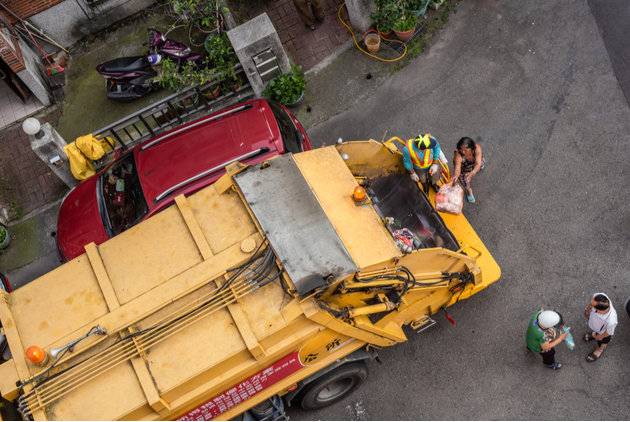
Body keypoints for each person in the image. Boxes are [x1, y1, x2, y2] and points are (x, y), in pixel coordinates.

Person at [583, 293, 618, 362]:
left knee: (602, 341)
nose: (591, 305)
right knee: (595, 331)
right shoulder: (600, 296)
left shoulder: (611, 320)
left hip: (602, 332)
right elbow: (591, 303)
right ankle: (594, 334)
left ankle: (599, 349)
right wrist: (587, 310)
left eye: (592, 306)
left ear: (599, 310)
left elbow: (609, 332)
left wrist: (601, 337)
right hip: (595, 323)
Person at [452, 137, 485, 204]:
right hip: (464, 169)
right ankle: (469, 191)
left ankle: (478, 168)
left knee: (480, 164)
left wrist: (473, 173)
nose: (463, 152)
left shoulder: (477, 148)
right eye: (461, 149)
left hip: (475, 164)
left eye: (465, 150)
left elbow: (478, 163)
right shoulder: (458, 153)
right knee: (464, 181)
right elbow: (457, 167)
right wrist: (455, 175)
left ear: (471, 148)